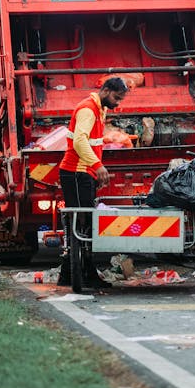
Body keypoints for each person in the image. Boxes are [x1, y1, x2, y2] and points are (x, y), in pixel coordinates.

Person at [58, 77, 129, 287]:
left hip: (82, 172)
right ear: (105, 91)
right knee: (83, 224)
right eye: (116, 98)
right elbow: (80, 141)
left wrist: (93, 171)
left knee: (81, 224)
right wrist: (97, 166)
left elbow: (92, 142)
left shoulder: (99, 109)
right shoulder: (88, 110)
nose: (118, 103)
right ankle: (84, 273)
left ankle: (69, 274)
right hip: (76, 172)